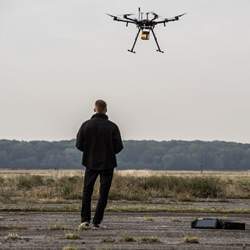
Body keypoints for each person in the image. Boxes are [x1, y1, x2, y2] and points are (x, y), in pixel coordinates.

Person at [76, 100, 123, 229]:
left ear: (94, 109)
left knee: (87, 191)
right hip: (108, 163)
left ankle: (85, 220)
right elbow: (119, 147)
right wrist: (108, 151)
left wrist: (90, 151)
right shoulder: (112, 127)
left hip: (90, 162)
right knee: (104, 193)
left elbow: (79, 144)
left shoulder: (86, 125)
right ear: (106, 110)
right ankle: (97, 222)